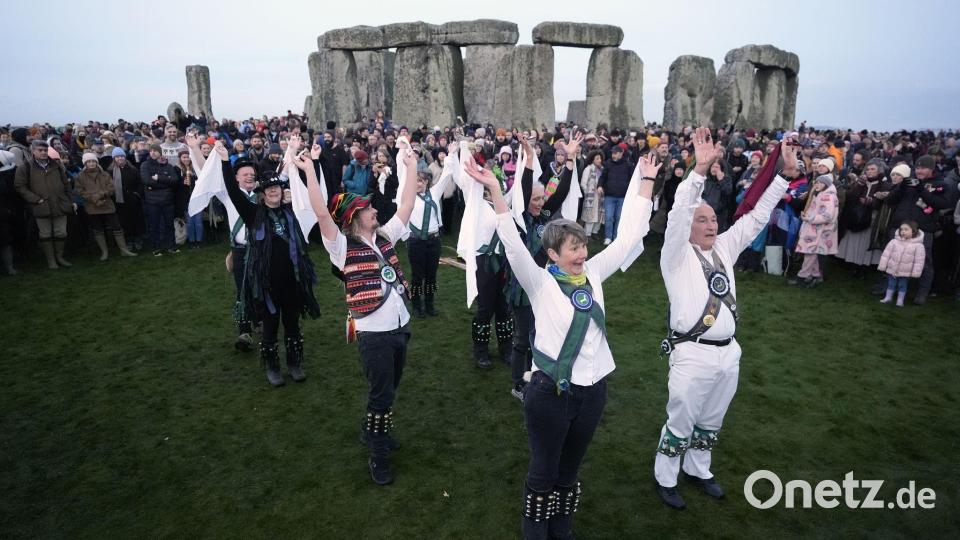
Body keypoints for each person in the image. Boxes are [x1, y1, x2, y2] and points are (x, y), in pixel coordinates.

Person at [463, 147, 655, 540]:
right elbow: (513, 246)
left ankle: (561, 530)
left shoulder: (595, 273)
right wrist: (495, 191)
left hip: (593, 392)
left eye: (583, 246)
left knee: (569, 471)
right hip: (550, 393)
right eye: (573, 248)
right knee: (544, 471)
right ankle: (535, 532)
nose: (582, 254)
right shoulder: (540, 283)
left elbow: (628, 238)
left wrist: (647, 183)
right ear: (552, 254)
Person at [653, 128, 799, 510]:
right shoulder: (675, 256)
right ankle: (666, 478)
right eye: (702, 220)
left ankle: (698, 469)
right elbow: (679, 212)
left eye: (713, 219)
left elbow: (758, 217)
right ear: (688, 228)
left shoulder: (724, 248)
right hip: (692, 353)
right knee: (681, 420)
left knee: (712, 419)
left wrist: (784, 176)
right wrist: (698, 173)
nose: (712, 225)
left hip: (728, 353)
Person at [307, 140, 418, 485]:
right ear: (354, 218)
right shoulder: (341, 247)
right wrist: (309, 169)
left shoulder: (384, 237)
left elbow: (407, 205)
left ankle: (374, 431)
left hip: (400, 326)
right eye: (367, 209)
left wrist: (411, 166)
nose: (374, 210)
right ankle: (377, 453)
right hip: (374, 333)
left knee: (389, 389)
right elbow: (322, 214)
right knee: (381, 396)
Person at [214, 137, 320, 387]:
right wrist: (225, 162)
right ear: (262, 194)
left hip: (292, 281)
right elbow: (233, 192)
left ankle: (294, 363)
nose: (273, 191)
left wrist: (313, 162)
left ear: (282, 192)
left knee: (292, 325)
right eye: (269, 189)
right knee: (270, 327)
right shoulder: (253, 214)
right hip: (267, 284)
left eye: (277, 188)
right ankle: (272, 368)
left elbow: (312, 196)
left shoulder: (290, 212)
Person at [186, 133, 259, 352]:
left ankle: (261, 320)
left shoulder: (264, 194)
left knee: (264, 285)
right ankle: (244, 331)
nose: (249, 176)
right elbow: (206, 173)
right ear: (235, 177)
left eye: (252, 174)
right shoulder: (229, 194)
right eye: (244, 174)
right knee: (242, 289)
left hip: (262, 249)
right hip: (239, 250)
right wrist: (195, 148)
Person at [407, 143, 457, 317]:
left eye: (421, 181)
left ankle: (429, 305)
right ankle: (416, 306)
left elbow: (447, 174)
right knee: (417, 276)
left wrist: (451, 155)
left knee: (431, 275)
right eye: (415, 181)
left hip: (434, 240)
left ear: (427, 182)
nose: (418, 184)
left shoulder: (435, 193)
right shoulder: (407, 196)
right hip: (416, 241)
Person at [14, 139, 74, 269]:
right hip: (41, 205)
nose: (43, 152)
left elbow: (66, 184)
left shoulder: (56, 165)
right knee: (45, 234)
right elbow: (20, 186)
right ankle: (51, 260)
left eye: (45, 150)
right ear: (33, 151)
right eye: (40, 150)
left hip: (60, 203)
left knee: (61, 233)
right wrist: (35, 199)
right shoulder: (25, 167)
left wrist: (69, 200)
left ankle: (59, 257)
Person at [75, 152, 136, 260]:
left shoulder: (104, 174)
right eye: (89, 162)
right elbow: (80, 191)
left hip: (107, 204)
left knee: (117, 226)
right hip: (92, 206)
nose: (91, 163)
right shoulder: (80, 176)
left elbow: (111, 188)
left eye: (93, 161)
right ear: (85, 163)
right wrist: (94, 199)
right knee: (98, 229)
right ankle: (104, 252)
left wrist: (101, 195)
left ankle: (124, 250)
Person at [791, 174, 839, 287]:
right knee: (814, 253)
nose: (818, 184)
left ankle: (802, 276)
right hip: (817, 230)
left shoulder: (828, 197)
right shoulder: (820, 194)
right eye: (817, 182)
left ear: (826, 185)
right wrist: (807, 215)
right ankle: (814, 275)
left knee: (810, 253)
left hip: (820, 230)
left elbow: (827, 216)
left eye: (821, 183)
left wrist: (810, 218)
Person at [140, 144, 179, 256]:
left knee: (169, 225)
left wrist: (159, 179)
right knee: (154, 225)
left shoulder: (168, 166)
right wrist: (166, 184)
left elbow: (175, 180)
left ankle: (171, 247)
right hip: (152, 201)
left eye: (155, 151)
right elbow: (147, 181)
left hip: (168, 200)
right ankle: (156, 248)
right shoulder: (145, 165)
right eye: (151, 150)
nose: (153, 152)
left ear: (160, 152)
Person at [878, 221, 925, 307]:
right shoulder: (894, 242)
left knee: (902, 285)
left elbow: (919, 261)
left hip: (905, 271)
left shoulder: (918, 246)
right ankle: (888, 297)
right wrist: (883, 266)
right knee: (891, 283)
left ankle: (900, 300)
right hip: (892, 268)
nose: (903, 231)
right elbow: (886, 254)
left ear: (913, 231)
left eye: (906, 229)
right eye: (901, 229)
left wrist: (916, 273)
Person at [108, 147, 146, 251]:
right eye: (117, 157)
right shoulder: (110, 171)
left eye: (121, 156)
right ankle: (128, 240)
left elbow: (140, 183)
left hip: (133, 200)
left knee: (136, 221)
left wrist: (136, 194)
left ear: (125, 157)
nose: (120, 158)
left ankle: (138, 239)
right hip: (119, 201)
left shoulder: (133, 169)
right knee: (124, 222)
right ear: (114, 158)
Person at [597, 144, 633, 245]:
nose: (613, 155)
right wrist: (599, 186)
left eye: (615, 153)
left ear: (621, 153)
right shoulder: (608, 164)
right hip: (609, 195)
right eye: (612, 153)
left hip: (622, 196)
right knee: (609, 217)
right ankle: (608, 237)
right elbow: (603, 177)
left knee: (619, 218)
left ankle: (616, 237)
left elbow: (632, 180)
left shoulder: (628, 165)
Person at [580, 150, 603, 238]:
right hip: (591, 196)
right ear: (592, 159)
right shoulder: (588, 169)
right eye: (597, 158)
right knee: (590, 215)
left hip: (600, 196)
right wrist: (588, 193)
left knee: (599, 214)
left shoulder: (601, 169)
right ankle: (587, 233)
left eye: (600, 158)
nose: (599, 160)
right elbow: (583, 183)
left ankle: (595, 232)